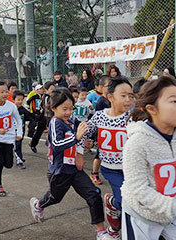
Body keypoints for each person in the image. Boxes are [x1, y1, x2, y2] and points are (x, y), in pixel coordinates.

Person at [121, 76, 176, 240]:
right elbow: (139, 191)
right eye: (173, 101)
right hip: (142, 215)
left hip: (172, 213)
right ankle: (114, 205)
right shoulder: (137, 143)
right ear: (152, 109)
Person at [29, 88, 114, 240]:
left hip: (75, 169)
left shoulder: (73, 121)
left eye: (71, 108)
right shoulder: (56, 123)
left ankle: (101, 231)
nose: (68, 112)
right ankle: (38, 205)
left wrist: (85, 144)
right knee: (55, 198)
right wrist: (76, 138)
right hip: (60, 171)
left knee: (94, 194)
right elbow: (56, 144)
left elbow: (82, 135)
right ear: (54, 108)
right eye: (64, 109)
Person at [80, 77, 134, 238]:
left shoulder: (134, 117)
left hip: (132, 169)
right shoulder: (99, 116)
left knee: (134, 203)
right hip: (112, 170)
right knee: (126, 204)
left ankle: (112, 206)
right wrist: (85, 143)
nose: (128, 100)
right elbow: (85, 132)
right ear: (110, 97)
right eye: (123, 96)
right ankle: (123, 230)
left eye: (131, 96)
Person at [0, 81, 22, 196]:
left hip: (8, 139)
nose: (4, 94)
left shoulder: (11, 106)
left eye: (6, 91)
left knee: (8, 164)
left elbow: (18, 120)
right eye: (1, 92)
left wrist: (19, 133)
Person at [91, 76, 111, 186]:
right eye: (109, 86)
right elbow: (97, 119)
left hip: (111, 131)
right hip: (103, 132)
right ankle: (94, 173)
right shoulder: (101, 102)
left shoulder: (112, 99)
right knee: (99, 154)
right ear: (102, 87)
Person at [13, 90, 31, 169]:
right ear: (14, 100)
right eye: (18, 100)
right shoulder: (10, 109)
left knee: (18, 145)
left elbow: (29, 117)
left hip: (20, 131)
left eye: (21, 100)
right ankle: (19, 160)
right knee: (14, 146)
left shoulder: (23, 110)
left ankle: (19, 158)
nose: (20, 102)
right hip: (11, 131)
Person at [27, 84, 46, 153]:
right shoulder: (34, 97)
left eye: (42, 89)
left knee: (40, 130)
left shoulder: (44, 96)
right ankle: (32, 142)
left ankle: (33, 143)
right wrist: (31, 108)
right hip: (35, 114)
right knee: (34, 128)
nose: (41, 90)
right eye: (40, 89)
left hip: (43, 114)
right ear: (37, 90)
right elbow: (28, 101)